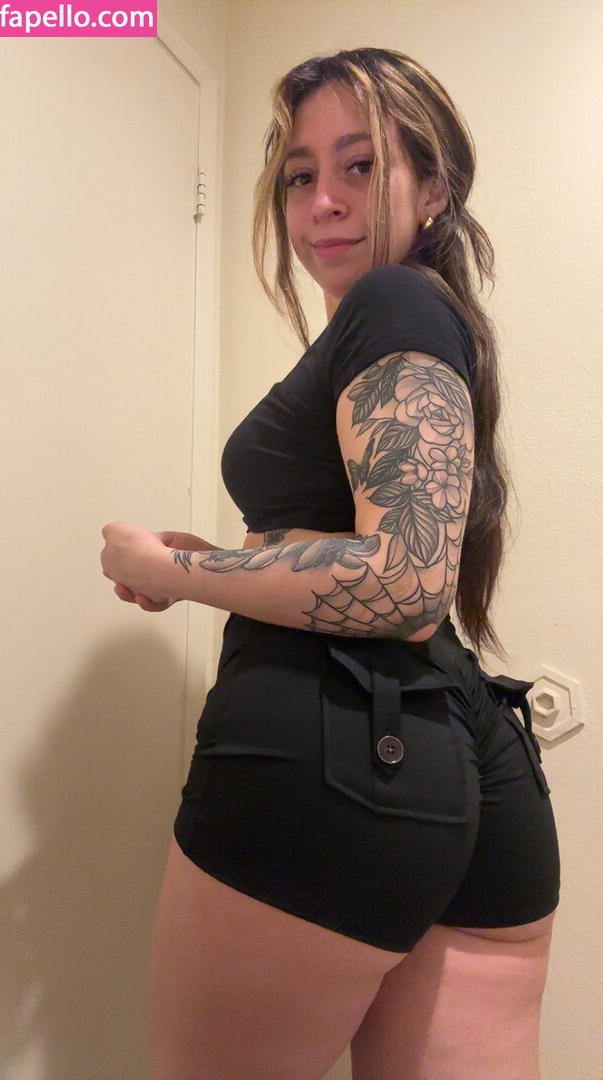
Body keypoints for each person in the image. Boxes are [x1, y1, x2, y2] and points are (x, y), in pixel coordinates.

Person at [101, 47, 561, 1080]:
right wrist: (229, 556)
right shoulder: (418, 317)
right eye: (299, 175)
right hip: (463, 758)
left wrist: (173, 574)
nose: (322, 202)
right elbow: (387, 554)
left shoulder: (392, 302)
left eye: (360, 165)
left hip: (331, 751)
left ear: (434, 185)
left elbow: (402, 580)